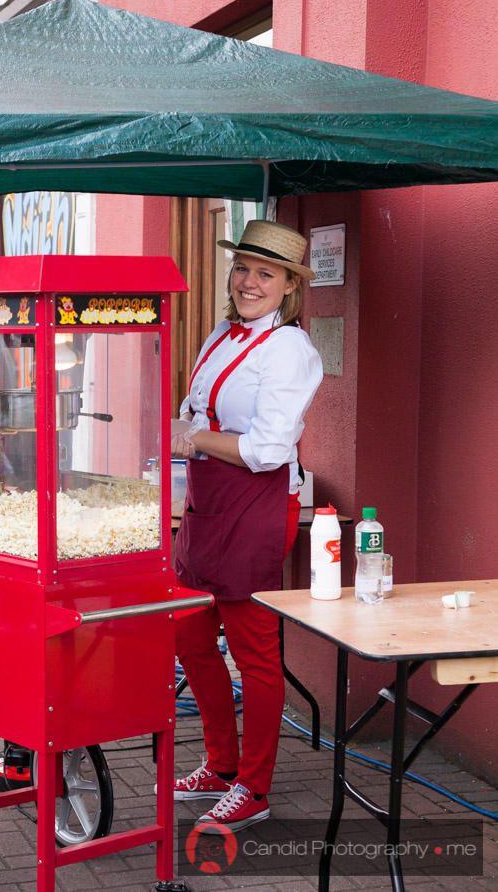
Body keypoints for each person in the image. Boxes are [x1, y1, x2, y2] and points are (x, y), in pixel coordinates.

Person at [171, 218, 323, 832]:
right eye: (242, 269)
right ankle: (220, 763)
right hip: (206, 504)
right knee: (187, 635)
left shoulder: (291, 349)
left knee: (254, 653)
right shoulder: (218, 335)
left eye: (265, 273)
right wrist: (195, 432)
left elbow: (266, 449)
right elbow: (191, 407)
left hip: (257, 509)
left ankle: (254, 787)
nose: (248, 282)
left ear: (289, 286)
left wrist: (196, 437)